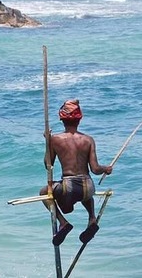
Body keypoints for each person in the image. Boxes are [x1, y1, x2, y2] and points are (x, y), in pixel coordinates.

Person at [39, 99, 113, 246]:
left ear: (62, 120)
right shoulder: (88, 140)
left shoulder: (55, 139)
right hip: (88, 187)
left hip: (69, 186)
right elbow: (95, 169)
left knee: (43, 192)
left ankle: (63, 223)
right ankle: (92, 218)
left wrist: (47, 143)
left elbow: (48, 165)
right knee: (86, 192)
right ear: (79, 120)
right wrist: (106, 169)